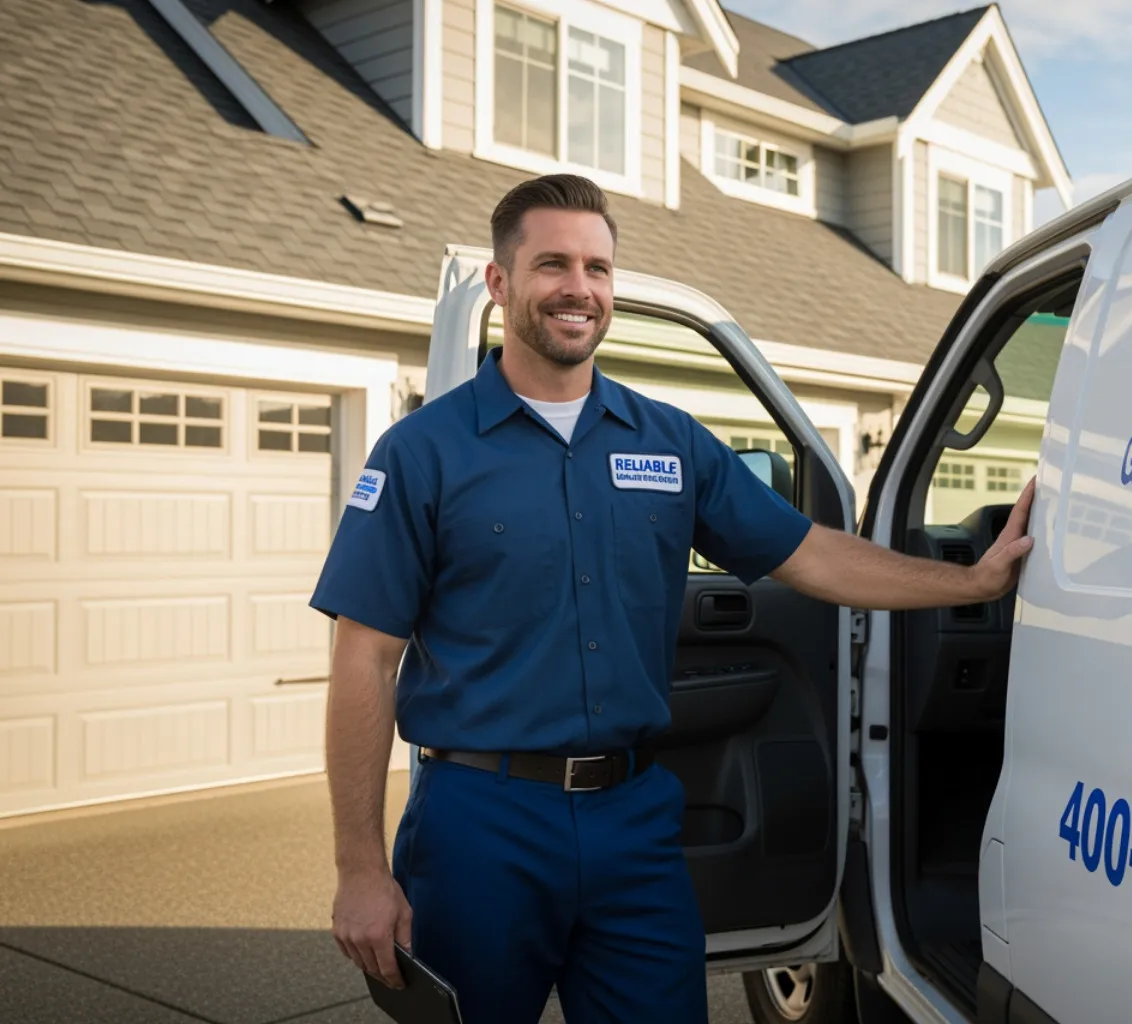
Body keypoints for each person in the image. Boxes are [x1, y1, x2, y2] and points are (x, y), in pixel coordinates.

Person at [310, 172, 1036, 1024]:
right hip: (480, 825)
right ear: (501, 284)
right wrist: (360, 866)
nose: (579, 288)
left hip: (635, 821)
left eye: (598, 268)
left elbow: (812, 557)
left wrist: (974, 580)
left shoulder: (670, 441)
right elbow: (365, 657)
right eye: (553, 265)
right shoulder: (421, 453)